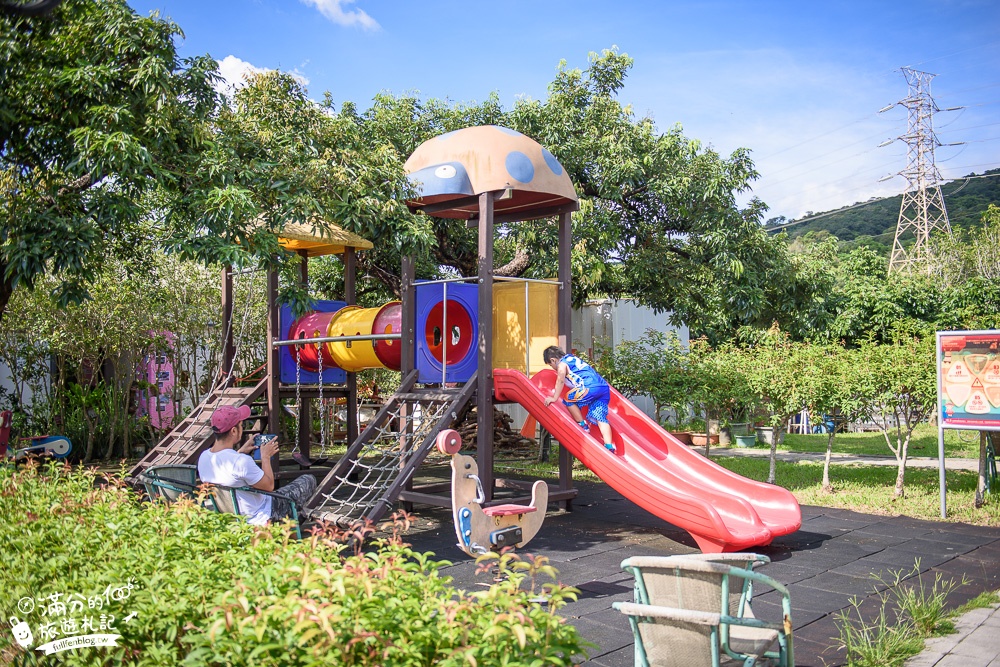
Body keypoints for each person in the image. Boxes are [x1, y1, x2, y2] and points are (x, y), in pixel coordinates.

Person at [197, 405, 316, 526]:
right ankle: (292, 524)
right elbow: (269, 486)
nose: (242, 429)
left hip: (231, 514)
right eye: (241, 426)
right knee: (308, 480)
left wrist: (241, 451)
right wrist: (266, 457)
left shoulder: (204, 457)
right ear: (233, 431)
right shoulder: (242, 462)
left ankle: (292, 522)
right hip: (261, 514)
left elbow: (229, 468)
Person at [542, 346, 616, 453]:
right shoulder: (572, 358)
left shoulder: (562, 364)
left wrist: (554, 398)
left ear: (553, 360)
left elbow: (560, 380)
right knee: (600, 417)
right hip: (603, 388)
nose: (552, 367)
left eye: (550, 364)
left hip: (589, 388)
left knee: (568, 399)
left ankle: (583, 425)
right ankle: (609, 446)